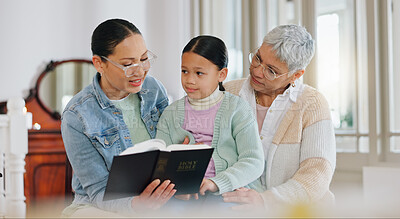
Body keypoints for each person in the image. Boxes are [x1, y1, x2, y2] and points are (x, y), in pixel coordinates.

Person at [61, 19, 176, 217]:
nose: (140, 71)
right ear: (99, 63)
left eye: (144, 59)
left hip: (157, 200)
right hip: (97, 207)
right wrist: (136, 205)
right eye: (128, 64)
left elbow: (169, 147)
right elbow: (97, 190)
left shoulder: (154, 90)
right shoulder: (77, 115)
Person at [222, 25, 336, 213]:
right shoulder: (227, 93)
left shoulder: (313, 104)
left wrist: (265, 201)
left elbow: (317, 174)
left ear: (296, 74)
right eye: (257, 58)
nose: (257, 71)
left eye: (271, 71)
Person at [155, 35, 265, 206]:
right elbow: (160, 164)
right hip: (183, 194)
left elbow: (253, 161)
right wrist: (178, 188)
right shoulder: (170, 113)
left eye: (199, 73)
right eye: (185, 71)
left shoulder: (237, 109)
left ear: (222, 74)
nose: (189, 80)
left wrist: (215, 183)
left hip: (227, 192)